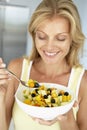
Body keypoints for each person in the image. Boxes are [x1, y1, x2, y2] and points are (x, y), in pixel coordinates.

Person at [0, 0, 87, 130]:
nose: (49, 47)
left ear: (72, 39)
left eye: (60, 38)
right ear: (34, 35)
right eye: (42, 37)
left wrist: (66, 115)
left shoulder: (83, 82)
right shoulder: (17, 69)